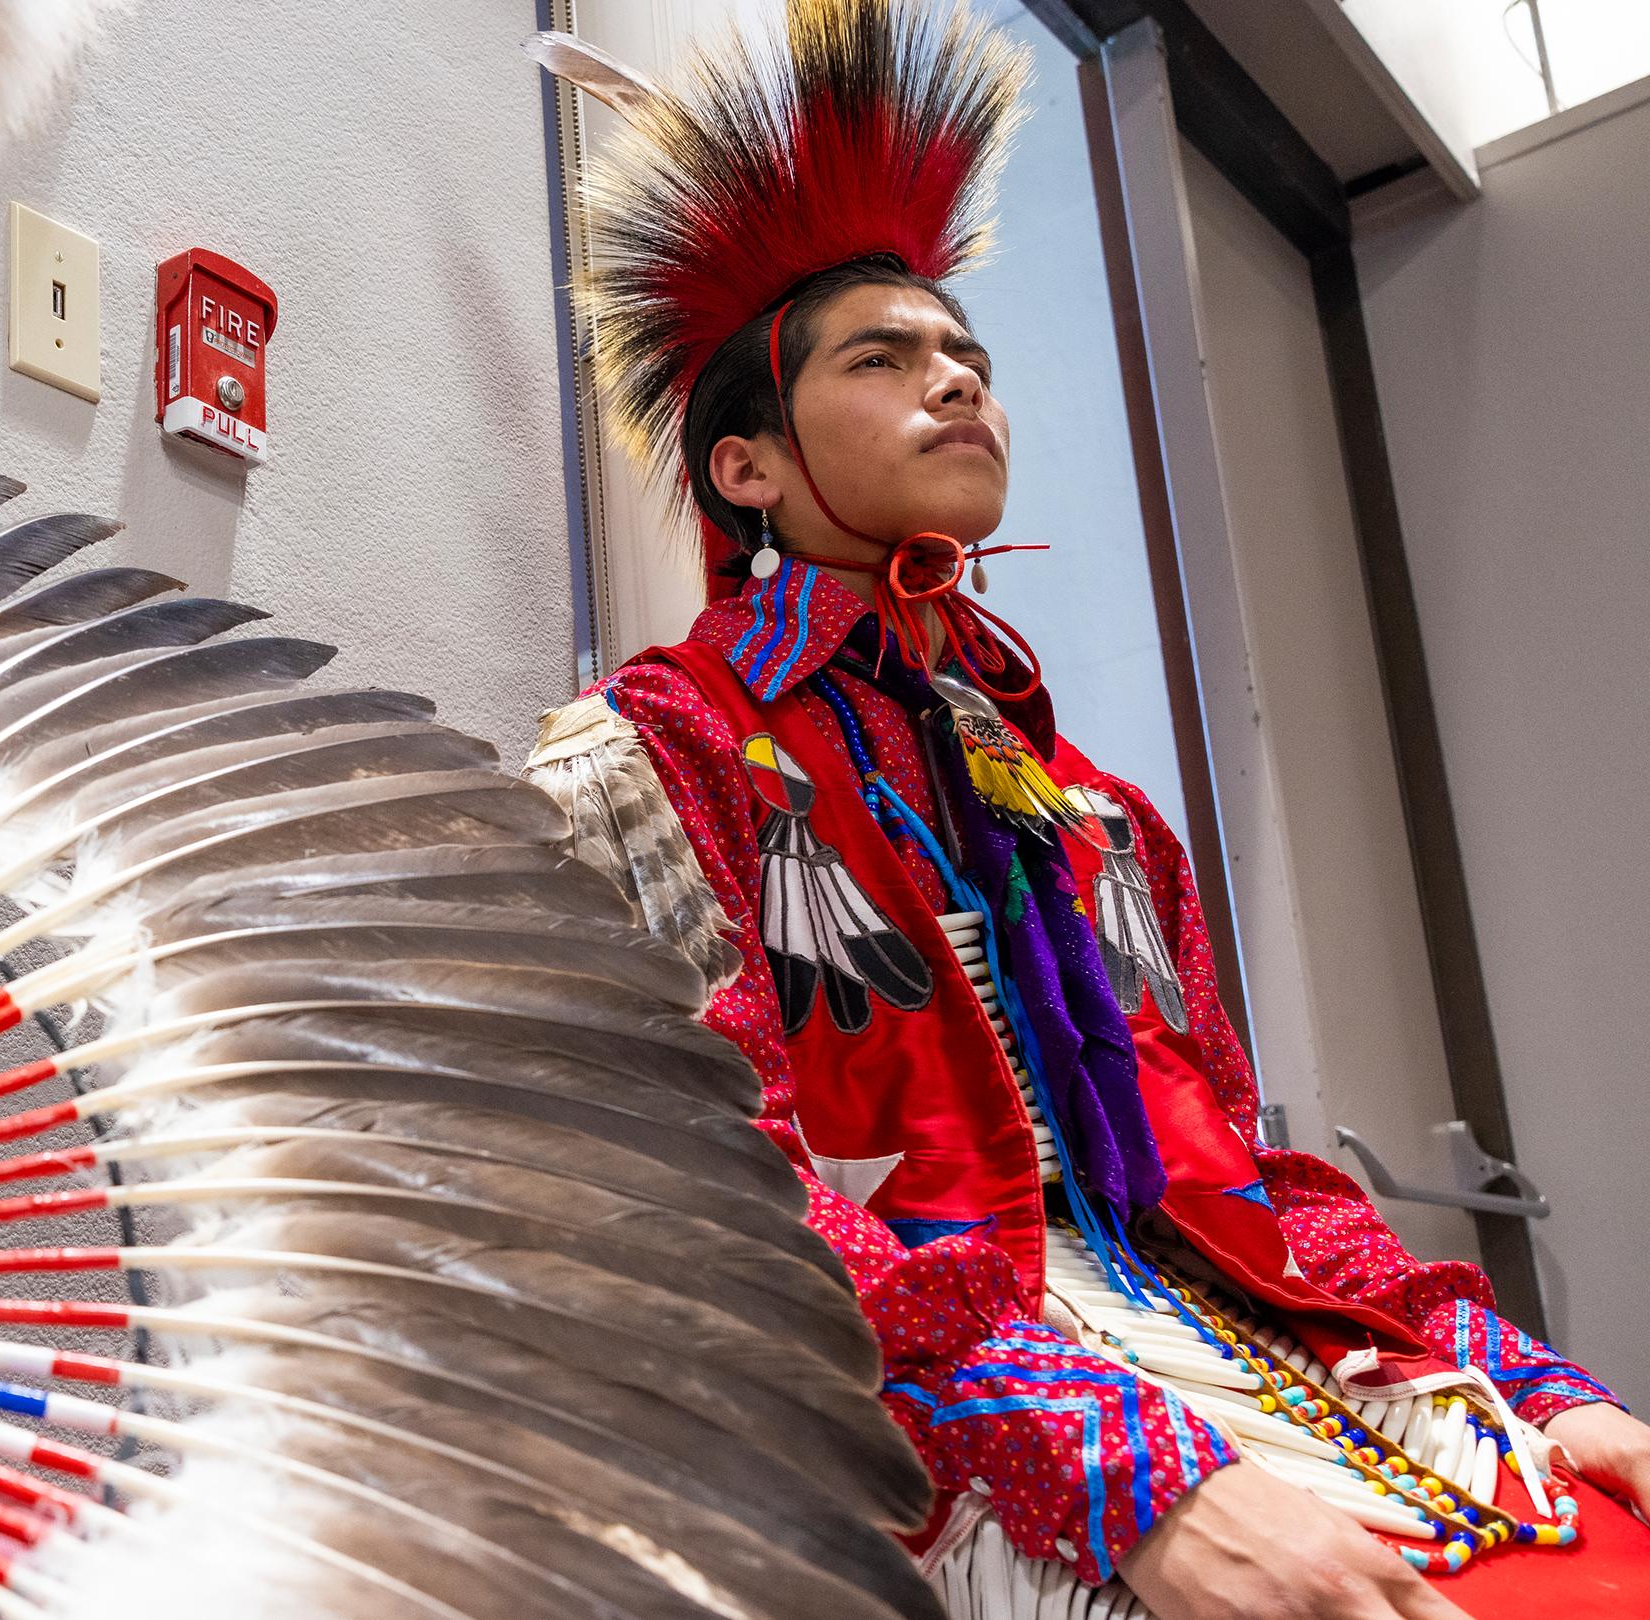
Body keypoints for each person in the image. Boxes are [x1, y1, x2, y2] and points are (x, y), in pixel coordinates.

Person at [527, 5, 1650, 1617]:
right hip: (913, 1393)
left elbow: (1248, 1186)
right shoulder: (645, 762)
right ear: (746, 469)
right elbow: (700, 1208)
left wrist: (1530, 1383)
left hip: (1211, 1322)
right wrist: (1119, 1467)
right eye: (883, 358)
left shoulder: (1092, 813)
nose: (956, 383)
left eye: (967, 357)